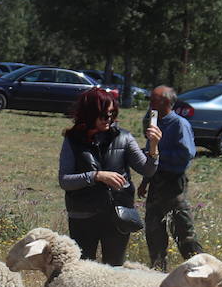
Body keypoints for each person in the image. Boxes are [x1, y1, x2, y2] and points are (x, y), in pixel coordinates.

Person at [58, 86, 161, 266]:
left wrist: (154, 146)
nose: (109, 120)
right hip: (83, 215)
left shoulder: (124, 138)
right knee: (82, 271)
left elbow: (148, 170)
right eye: (104, 115)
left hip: (117, 216)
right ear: (90, 114)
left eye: (112, 115)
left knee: (114, 272)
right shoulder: (72, 140)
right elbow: (65, 181)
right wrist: (96, 176)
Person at [137, 85, 205, 271]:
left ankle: (201, 272)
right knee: (154, 231)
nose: (150, 103)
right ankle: (158, 270)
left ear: (166, 102)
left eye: (153, 100)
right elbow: (150, 155)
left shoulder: (179, 124)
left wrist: (158, 151)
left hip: (173, 184)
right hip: (155, 182)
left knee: (183, 232)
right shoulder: (152, 120)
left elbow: (186, 154)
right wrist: (145, 181)